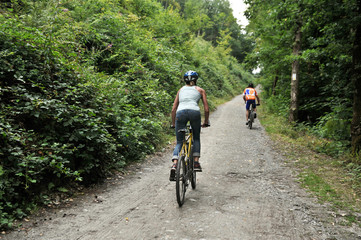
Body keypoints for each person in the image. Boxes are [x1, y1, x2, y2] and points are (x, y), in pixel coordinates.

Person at [170, 70, 210, 180]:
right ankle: (196, 162)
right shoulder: (200, 90)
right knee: (196, 137)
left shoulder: (180, 90)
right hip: (194, 113)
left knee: (179, 141)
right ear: (196, 80)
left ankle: (174, 164)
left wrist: (173, 123)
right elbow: (206, 109)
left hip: (180, 113)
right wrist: (206, 121)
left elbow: (174, 109)